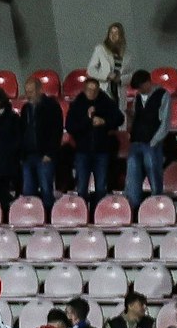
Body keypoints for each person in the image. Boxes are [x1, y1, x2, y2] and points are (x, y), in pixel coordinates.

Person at [67, 77, 123, 203]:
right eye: (89, 90)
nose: (92, 93)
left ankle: (99, 215)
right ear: (84, 90)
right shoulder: (77, 104)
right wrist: (87, 120)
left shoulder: (105, 102)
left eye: (95, 90)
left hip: (101, 151)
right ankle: (82, 214)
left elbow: (119, 118)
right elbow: (70, 126)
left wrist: (104, 122)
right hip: (82, 151)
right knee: (81, 187)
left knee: (101, 187)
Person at [125, 70, 170, 210]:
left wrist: (154, 141)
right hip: (136, 141)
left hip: (151, 142)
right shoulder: (138, 97)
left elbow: (165, 122)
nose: (140, 90)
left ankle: (158, 206)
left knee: (154, 173)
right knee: (132, 175)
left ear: (148, 82)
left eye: (141, 86)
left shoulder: (163, 95)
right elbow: (134, 120)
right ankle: (133, 207)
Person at [19, 82, 62, 214]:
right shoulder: (25, 108)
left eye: (31, 91)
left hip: (45, 156)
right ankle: (31, 216)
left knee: (46, 189)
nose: (28, 95)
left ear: (39, 90)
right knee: (28, 191)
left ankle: (49, 217)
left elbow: (57, 131)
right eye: (27, 91)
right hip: (28, 156)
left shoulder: (52, 106)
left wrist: (50, 153)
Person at [86, 22, 130, 90]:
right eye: (111, 33)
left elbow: (130, 74)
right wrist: (107, 75)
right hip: (105, 88)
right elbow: (91, 70)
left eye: (116, 33)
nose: (113, 35)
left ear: (121, 36)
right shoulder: (101, 49)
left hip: (119, 90)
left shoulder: (126, 54)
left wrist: (120, 79)